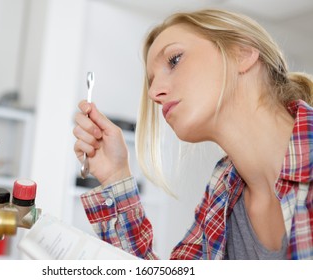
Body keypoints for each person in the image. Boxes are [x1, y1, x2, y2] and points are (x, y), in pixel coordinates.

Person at [73, 9, 313, 260]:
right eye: (151, 81)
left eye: (174, 60)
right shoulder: (222, 191)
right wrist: (115, 175)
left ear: (242, 53)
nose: (154, 93)